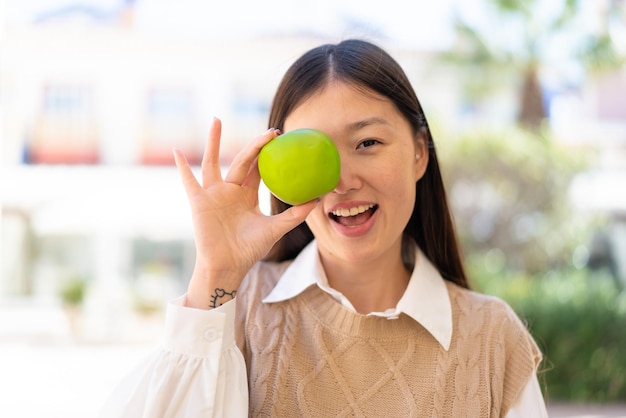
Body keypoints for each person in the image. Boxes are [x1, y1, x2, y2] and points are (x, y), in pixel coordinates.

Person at [101, 39, 547, 417]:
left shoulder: (492, 340)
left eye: (367, 143)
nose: (342, 181)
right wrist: (215, 274)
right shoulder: (235, 314)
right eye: (312, 154)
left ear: (418, 152)